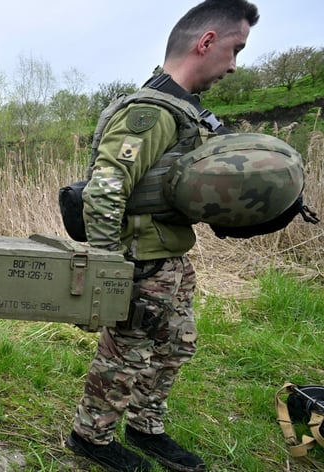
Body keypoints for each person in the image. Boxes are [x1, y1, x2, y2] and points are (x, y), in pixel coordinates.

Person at [66, 1, 259, 471]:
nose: (234, 66)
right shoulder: (149, 113)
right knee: (124, 354)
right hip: (137, 263)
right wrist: (109, 269)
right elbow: (106, 189)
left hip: (170, 260)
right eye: (235, 50)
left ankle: (145, 425)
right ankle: (90, 435)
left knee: (175, 344)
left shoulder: (186, 111)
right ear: (206, 42)